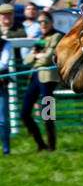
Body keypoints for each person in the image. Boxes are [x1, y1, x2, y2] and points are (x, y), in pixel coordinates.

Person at [20, 11, 59, 152]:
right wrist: (38, 56)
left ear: (51, 22)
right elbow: (26, 60)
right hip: (35, 76)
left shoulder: (56, 36)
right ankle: (40, 143)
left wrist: (36, 56)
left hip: (48, 78)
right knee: (24, 113)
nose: (43, 24)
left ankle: (51, 146)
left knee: (47, 114)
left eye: (46, 22)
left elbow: (49, 58)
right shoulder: (40, 39)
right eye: (40, 22)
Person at [0, 3, 14, 155]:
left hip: (48, 81)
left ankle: (6, 149)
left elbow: (3, 64)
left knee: (2, 120)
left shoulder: (5, 44)